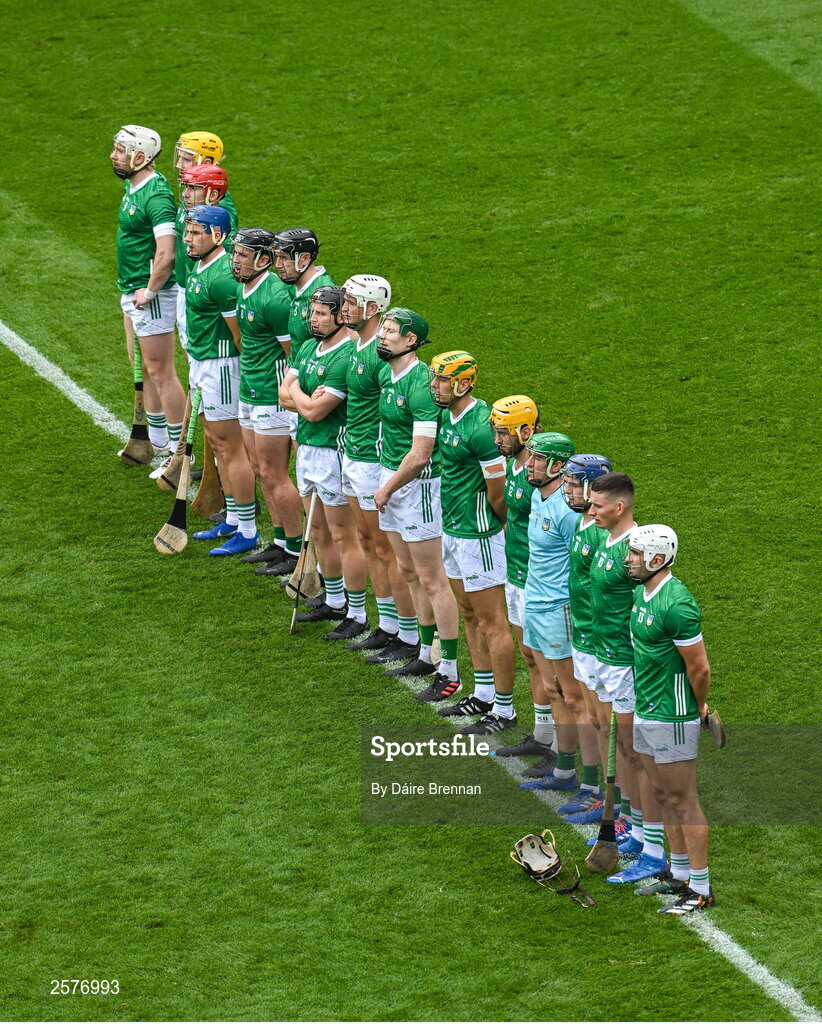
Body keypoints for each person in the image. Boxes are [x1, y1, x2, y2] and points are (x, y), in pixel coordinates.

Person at [372, 310, 461, 694]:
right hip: (391, 480)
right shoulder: (385, 374)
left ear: (411, 341)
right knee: (408, 570)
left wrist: (387, 487)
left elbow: (421, 453)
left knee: (432, 578)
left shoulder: (422, 385)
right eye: (383, 329)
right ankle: (426, 653)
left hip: (418, 488)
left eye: (392, 332)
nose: (383, 336)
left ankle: (450, 669)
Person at [627, 525, 715, 913]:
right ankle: (678, 874)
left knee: (684, 801)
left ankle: (701, 887)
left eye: (635, 554)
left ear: (656, 560)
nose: (628, 559)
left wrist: (698, 708)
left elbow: (700, 668)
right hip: (646, 708)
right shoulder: (641, 592)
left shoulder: (676, 604)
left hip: (672, 715)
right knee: (662, 795)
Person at [427, 354, 515, 731]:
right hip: (454, 531)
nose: (435, 385)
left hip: (478, 537)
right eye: (434, 378)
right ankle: (483, 693)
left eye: (442, 380)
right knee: (469, 613)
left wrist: (498, 530)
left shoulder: (482, 429)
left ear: (463, 384)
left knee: (493, 622)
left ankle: (506, 710)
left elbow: (499, 495)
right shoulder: (448, 416)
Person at [586, 472, 666, 884]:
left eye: (597, 505)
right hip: (604, 657)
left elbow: (647, 610)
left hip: (626, 664)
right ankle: (637, 830)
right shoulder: (605, 539)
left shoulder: (632, 551)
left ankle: (654, 849)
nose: (590, 510)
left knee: (639, 756)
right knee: (625, 749)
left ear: (619, 508)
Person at [280, 287, 368, 640]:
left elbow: (316, 411)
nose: (312, 319)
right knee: (317, 530)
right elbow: (282, 395)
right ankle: (333, 600)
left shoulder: (345, 356)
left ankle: (357, 612)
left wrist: (299, 395)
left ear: (339, 316)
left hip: (333, 451)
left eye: (320, 313)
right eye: (312, 312)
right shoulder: (306, 346)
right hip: (307, 449)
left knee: (343, 534)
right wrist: (303, 397)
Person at [338, 276, 418, 655]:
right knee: (369, 543)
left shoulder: (379, 357)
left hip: (373, 461)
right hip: (354, 456)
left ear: (372, 308)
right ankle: (387, 623)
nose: (345, 307)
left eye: (352, 302)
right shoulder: (358, 344)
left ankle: (406, 631)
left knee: (386, 550)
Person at [182, 205, 258, 555]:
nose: (188, 238)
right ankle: (233, 518)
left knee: (230, 447)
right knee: (217, 442)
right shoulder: (202, 266)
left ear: (218, 235)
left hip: (222, 366)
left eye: (197, 232)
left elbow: (240, 335)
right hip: (204, 363)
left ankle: (247, 527)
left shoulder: (223, 277)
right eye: (188, 231)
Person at [229, 228, 303, 574]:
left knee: (275, 474)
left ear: (263, 259)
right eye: (235, 254)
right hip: (249, 392)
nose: (236, 261)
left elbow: (294, 356)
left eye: (243, 255)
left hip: (271, 398)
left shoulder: (274, 298)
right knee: (260, 470)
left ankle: (295, 549)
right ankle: (279, 542)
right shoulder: (246, 289)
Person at [487, 397, 555, 769]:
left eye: (503, 432)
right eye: (495, 431)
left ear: (526, 432)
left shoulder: (539, 472)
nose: (497, 438)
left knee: (552, 666)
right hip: (515, 574)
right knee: (530, 656)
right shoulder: (513, 465)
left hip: (539, 581)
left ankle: (561, 744)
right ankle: (543, 735)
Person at [111, 125, 185, 459]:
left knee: (160, 371)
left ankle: (181, 451)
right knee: (140, 364)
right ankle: (153, 441)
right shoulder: (134, 184)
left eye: (119, 151)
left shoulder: (155, 196)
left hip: (149, 295)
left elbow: (167, 254)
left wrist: (151, 291)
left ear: (139, 157)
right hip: (132, 290)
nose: (113, 156)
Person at [172, 132, 238, 351]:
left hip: (203, 293)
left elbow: (227, 258)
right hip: (189, 287)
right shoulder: (193, 197)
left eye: (187, 159)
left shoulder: (218, 208)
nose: (180, 165)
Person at [272, 230, 334, 357]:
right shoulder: (292, 285)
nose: (277, 265)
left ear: (305, 258)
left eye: (283, 258)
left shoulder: (325, 294)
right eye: (276, 257)